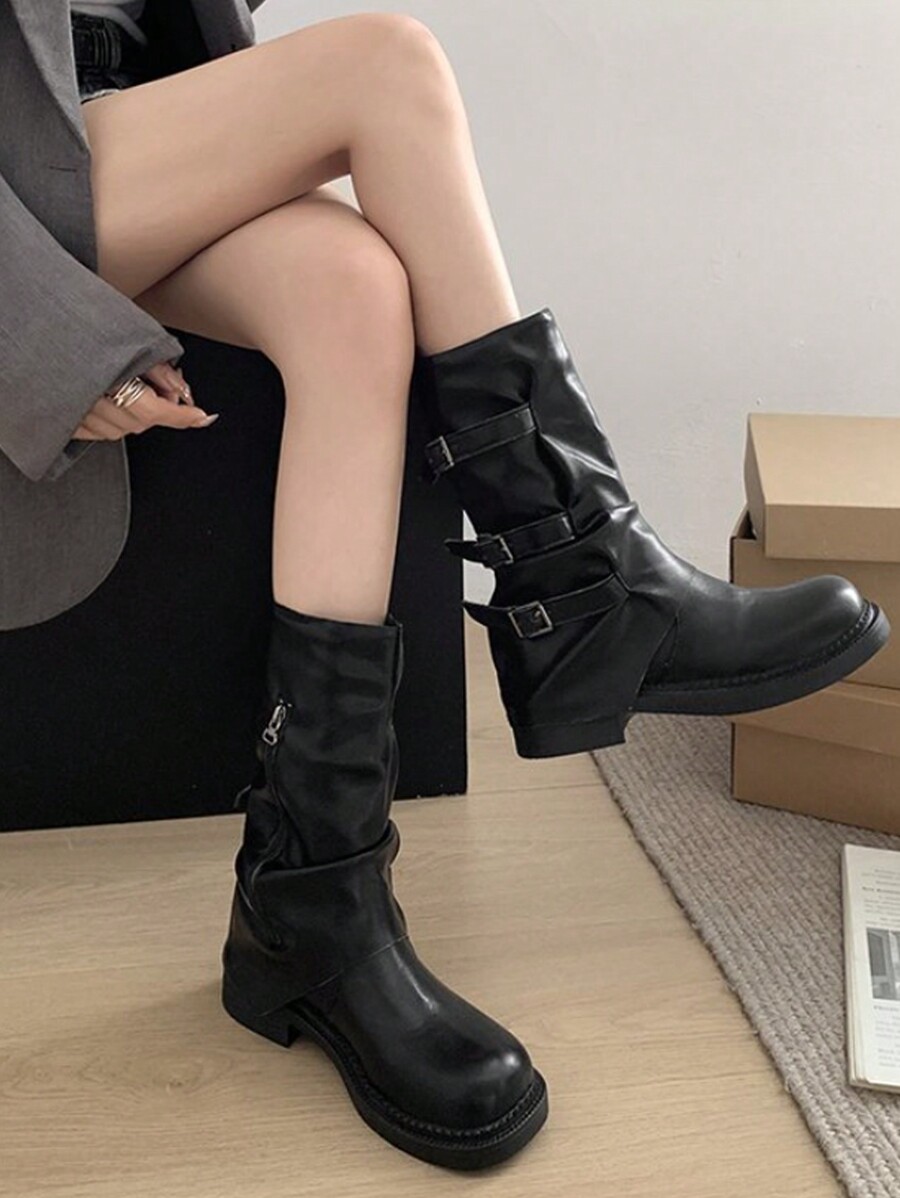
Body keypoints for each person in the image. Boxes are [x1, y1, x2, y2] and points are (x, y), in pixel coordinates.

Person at [2, 0, 889, 1171]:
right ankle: (585, 584)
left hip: (133, 122)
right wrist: (39, 339)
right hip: (22, 175)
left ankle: (310, 904)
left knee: (358, 292)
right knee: (386, 64)